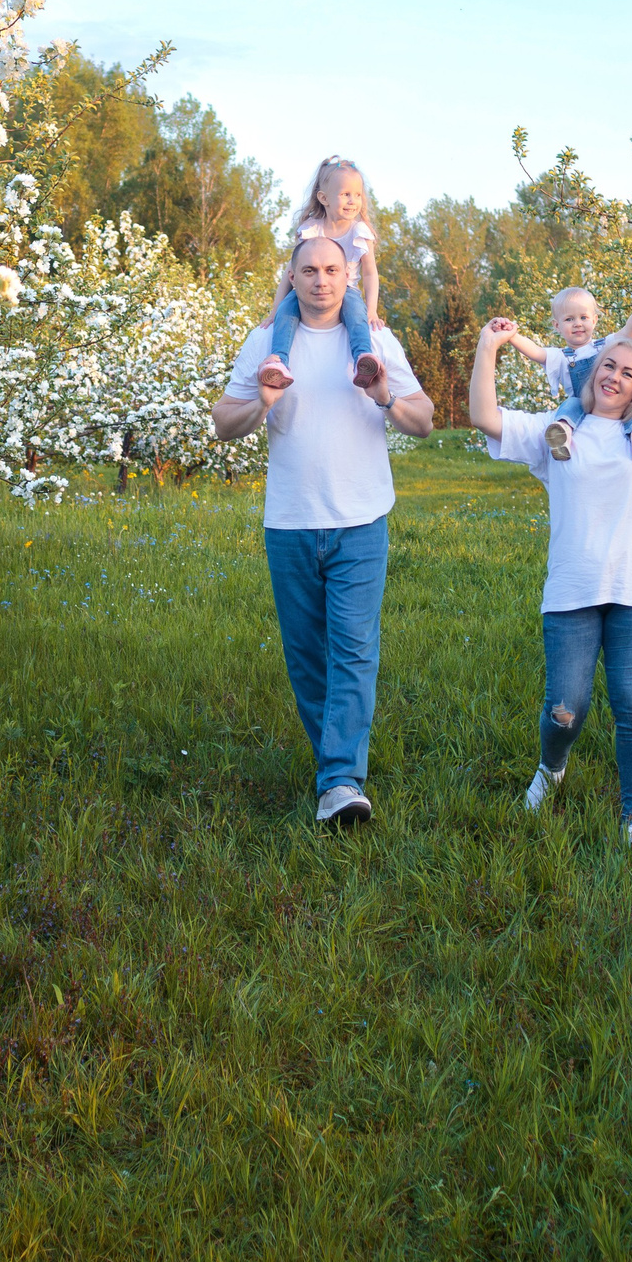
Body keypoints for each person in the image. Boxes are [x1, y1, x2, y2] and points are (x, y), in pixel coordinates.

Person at [470, 287, 632, 849]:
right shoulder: (558, 435)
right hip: (571, 595)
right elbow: (484, 416)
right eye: (608, 365)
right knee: (566, 709)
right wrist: (489, 349)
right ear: (590, 371)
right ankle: (551, 769)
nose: (615, 377)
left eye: (629, 372)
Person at [215, 233, 434, 826]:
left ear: (348, 274)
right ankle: (333, 768)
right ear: (292, 277)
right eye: (308, 270)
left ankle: (339, 780)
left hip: (360, 520)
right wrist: (260, 401)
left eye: (331, 270)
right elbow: (222, 423)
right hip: (289, 522)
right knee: (307, 657)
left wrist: (385, 393)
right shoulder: (267, 343)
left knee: (355, 650)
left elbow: (424, 421)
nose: (320, 280)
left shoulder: (375, 340)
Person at [260, 156, 386, 394]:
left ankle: (363, 359)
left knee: (355, 312)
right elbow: (291, 272)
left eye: (357, 195)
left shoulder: (360, 232)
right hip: (308, 291)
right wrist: (274, 310)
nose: (353, 201)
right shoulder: (311, 229)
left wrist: (372, 310)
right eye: (345, 194)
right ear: (324, 198)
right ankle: (278, 362)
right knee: (288, 310)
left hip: (345, 290)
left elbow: (370, 274)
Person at [498, 285, 632, 463]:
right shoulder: (560, 357)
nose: (577, 323)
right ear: (557, 325)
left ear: (594, 320)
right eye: (569, 319)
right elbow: (535, 352)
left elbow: (629, 332)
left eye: (584, 317)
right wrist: (511, 336)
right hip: (585, 404)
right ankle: (562, 434)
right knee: (570, 406)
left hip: (613, 399)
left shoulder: (605, 345)